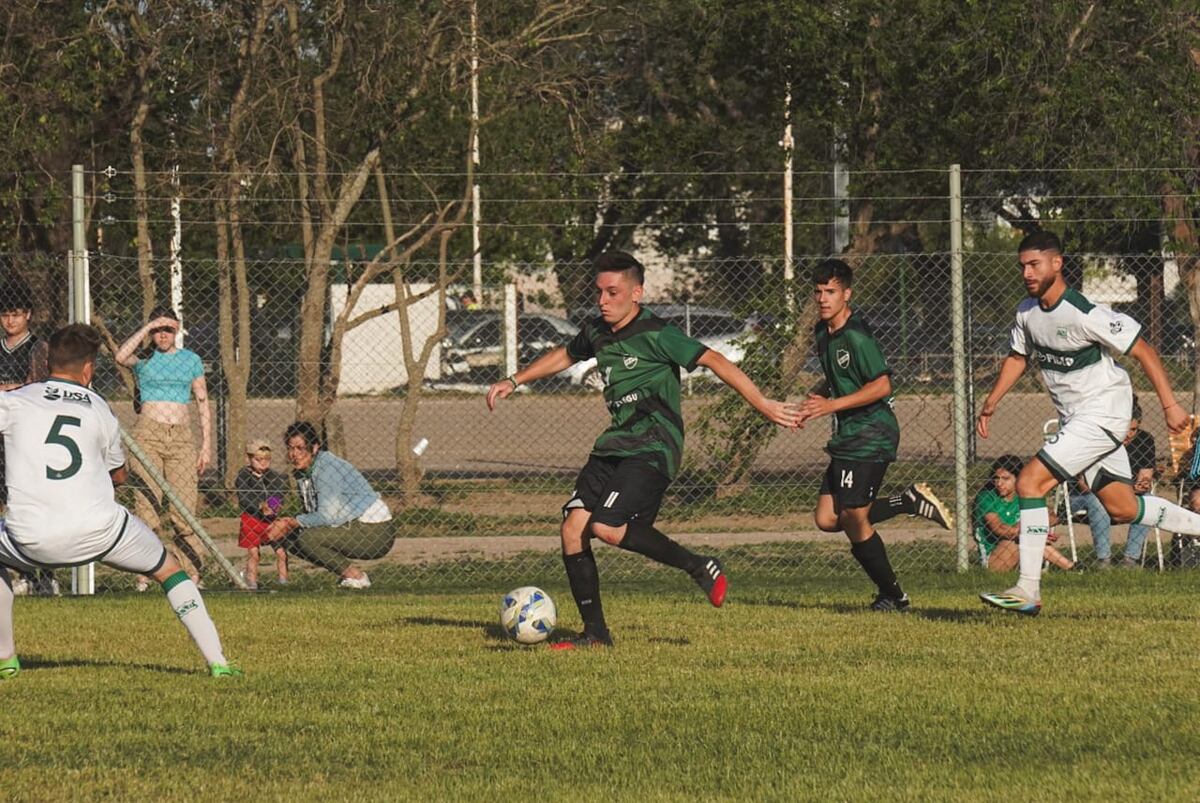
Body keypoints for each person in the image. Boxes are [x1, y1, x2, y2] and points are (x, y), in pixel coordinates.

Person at [486, 250, 801, 649]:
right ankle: (596, 635)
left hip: (654, 445)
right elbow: (567, 354)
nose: (603, 300)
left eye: (612, 292)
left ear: (637, 292)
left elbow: (714, 359)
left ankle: (700, 566)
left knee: (606, 525)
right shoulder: (597, 331)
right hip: (613, 446)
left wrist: (764, 404)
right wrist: (514, 380)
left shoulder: (657, 332)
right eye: (599, 291)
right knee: (572, 530)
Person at [976, 230, 1200, 615]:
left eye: (1035, 264)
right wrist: (991, 402)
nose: (1027, 273)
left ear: (1057, 263)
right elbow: (1018, 357)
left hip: (1104, 414)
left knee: (1030, 482)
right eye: (1023, 266)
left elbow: (1144, 350)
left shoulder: (1084, 312)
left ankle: (1027, 590)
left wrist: (1170, 406)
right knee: (1124, 509)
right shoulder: (1026, 312)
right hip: (1079, 419)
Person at [0, 324, 240, 679]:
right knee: (170, 570)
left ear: (47, 361)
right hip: (101, 532)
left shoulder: (14, 402)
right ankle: (217, 661)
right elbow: (119, 476)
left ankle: (6, 660)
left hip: (30, 539)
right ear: (88, 369)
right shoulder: (99, 408)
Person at [797, 258, 949, 612]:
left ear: (846, 294)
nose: (822, 299)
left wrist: (831, 406)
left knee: (853, 517)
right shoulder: (824, 332)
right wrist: (820, 396)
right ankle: (908, 502)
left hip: (872, 432)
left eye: (830, 292)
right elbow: (839, 375)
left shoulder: (856, 335)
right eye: (818, 292)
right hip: (850, 434)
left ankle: (894, 597)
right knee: (826, 519)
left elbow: (881, 385)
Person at [115, 306, 211, 587]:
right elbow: (120, 356)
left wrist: (205, 446)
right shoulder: (143, 359)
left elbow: (203, 401)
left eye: (168, 328)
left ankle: (191, 572)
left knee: (184, 511)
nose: (163, 334)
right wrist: (148, 327)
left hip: (181, 438)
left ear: (177, 328)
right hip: (148, 435)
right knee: (148, 507)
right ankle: (147, 571)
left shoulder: (191, 359)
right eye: (158, 329)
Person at [262, 421, 397, 588]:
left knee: (307, 538)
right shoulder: (304, 471)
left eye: (300, 448)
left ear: (315, 448)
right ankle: (349, 576)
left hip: (375, 531)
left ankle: (357, 577)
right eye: (290, 448)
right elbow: (281, 489)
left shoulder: (327, 469)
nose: (294, 454)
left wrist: (291, 522)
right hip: (347, 524)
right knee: (290, 538)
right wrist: (272, 504)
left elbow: (327, 516)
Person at [0, 276, 55, 597]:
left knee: (29, 505)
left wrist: (11, 388)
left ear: (28, 315)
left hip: (25, 438)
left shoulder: (38, 348)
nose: (10, 320)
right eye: (5, 314)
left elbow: (42, 387)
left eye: (16, 314)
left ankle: (43, 575)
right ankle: (13, 574)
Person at [1068, 398, 1157, 568]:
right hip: (1086, 496)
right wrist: (1128, 489)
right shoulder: (1098, 440)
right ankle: (1104, 560)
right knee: (1098, 502)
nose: (1130, 435)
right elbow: (1085, 487)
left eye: (1134, 430)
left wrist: (1143, 484)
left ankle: (1130, 560)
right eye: (1126, 430)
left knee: (1148, 500)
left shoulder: (1144, 440)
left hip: (1126, 495)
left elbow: (1146, 475)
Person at [975, 455, 1075, 572]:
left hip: (1022, 553)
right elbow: (999, 529)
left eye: (1005, 479)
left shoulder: (1025, 494)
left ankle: (1072, 568)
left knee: (1029, 535)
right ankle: (1071, 567)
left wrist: (1037, 529)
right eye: (996, 478)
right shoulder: (986, 497)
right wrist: (1029, 529)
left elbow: (1053, 517)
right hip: (994, 559)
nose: (999, 483)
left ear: (1018, 478)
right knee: (1025, 537)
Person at [235, 438, 289, 590]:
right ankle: (252, 582)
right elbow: (244, 498)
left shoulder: (274, 476)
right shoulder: (244, 476)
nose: (263, 463)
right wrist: (259, 506)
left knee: (281, 552)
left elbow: (278, 493)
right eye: (258, 459)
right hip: (251, 519)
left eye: (267, 459)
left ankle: (283, 582)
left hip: (270, 520)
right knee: (254, 554)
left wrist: (273, 506)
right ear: (249, 458)